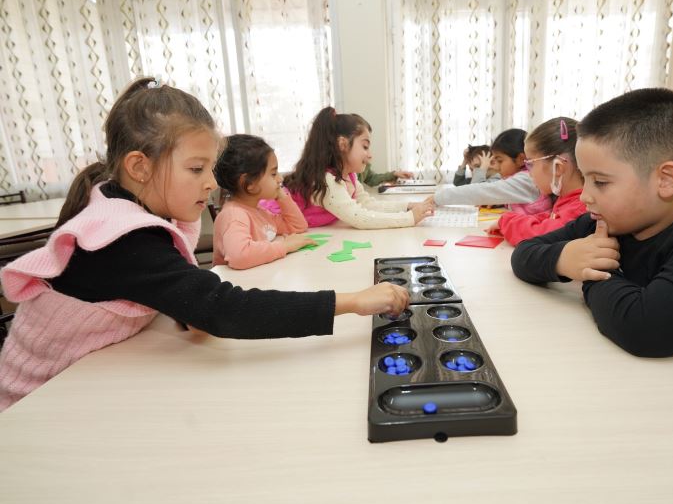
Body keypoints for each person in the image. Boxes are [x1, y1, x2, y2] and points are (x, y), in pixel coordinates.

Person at [0, 78, 408, 411]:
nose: (211, 183)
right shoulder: (124, 237)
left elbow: (178, 296)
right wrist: (353, 301)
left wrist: (187, 303)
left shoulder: (125, 206)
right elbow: (225, 311)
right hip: (32, 403)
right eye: (196, 169)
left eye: (210, 168)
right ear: (139, 166)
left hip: (79, 380)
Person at [510, 88, 673, 394]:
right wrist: (564, 259)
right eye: (585, 179)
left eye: (601, 182)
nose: (585, 196)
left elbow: (644, 328)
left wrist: (594, 271)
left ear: (666, 179)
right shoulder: (608, 221)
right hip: (636, 385)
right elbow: (525, 254)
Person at [283, 107, 434, 229]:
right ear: (342, 144)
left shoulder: (350, 176)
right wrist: (409, 218)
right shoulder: (326, 181)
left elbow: (368, 204)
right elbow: (359, 217)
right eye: (365, 146)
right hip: (277, 230)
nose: (370, 155)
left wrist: (408, 206)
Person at [212, 134, 315, 270]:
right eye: (273, 174)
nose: (280, 179)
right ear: (249, 183)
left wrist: (281, 196)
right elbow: (239, 256)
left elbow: (298, 226)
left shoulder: (260, 212)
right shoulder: (233, 215)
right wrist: (284, 246)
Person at [487, 118, 587, 246]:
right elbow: (549, 219)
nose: (529, 173)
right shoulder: (568, 200)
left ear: (557, 167)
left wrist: (506, 222)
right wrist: (514, 221)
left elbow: (542, 235)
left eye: (530, 164)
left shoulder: (580, 207)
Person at [429, 129, 550, 214]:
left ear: (520, 159)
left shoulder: (527, 179)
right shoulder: (518, 178)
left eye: (500, 161)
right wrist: (500, 202)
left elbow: (481, 191)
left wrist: (438, 197)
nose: (496, 167)